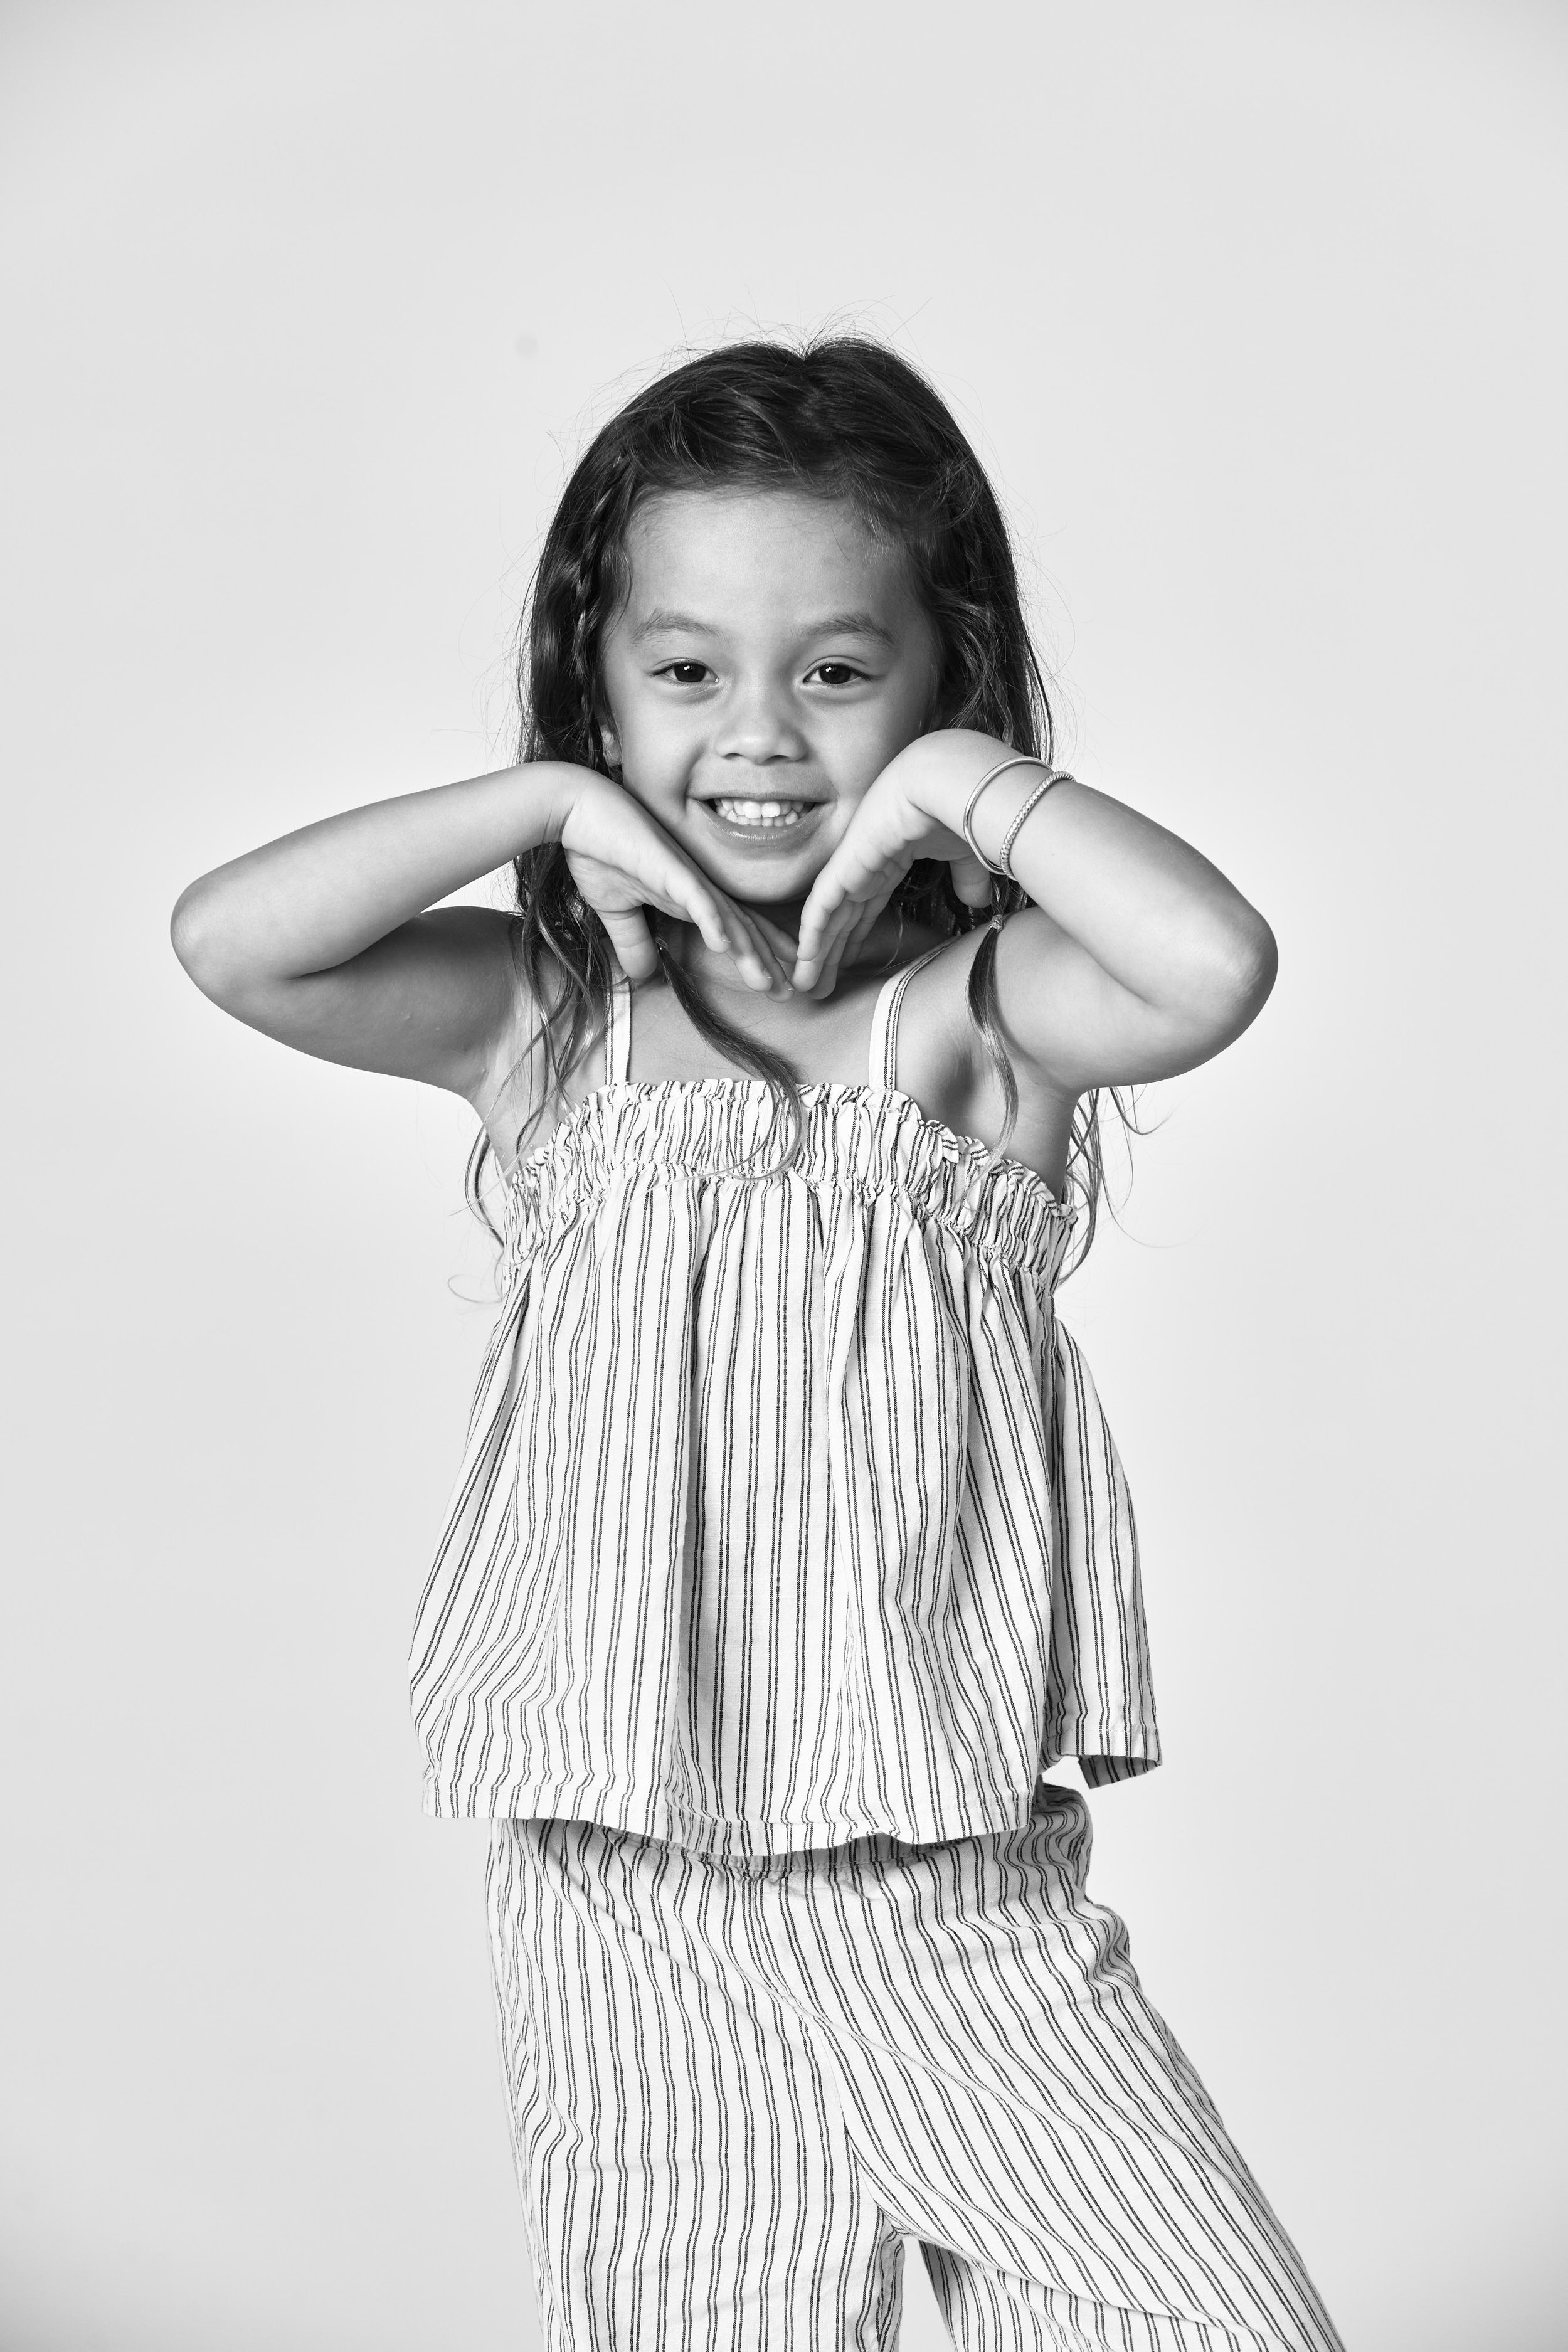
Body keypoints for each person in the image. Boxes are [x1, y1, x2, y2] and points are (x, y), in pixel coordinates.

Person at [172, 337, 1344, 2352]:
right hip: (621, 1911)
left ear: (928, 674)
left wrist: (963, 786)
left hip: (949, 1906)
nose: (762, 733)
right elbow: (231, 939)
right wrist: (543, 797)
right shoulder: (544, 1023)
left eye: (836, 668)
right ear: (603, 680)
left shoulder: (986, 1017)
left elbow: (1214, 963)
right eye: (686, 669)